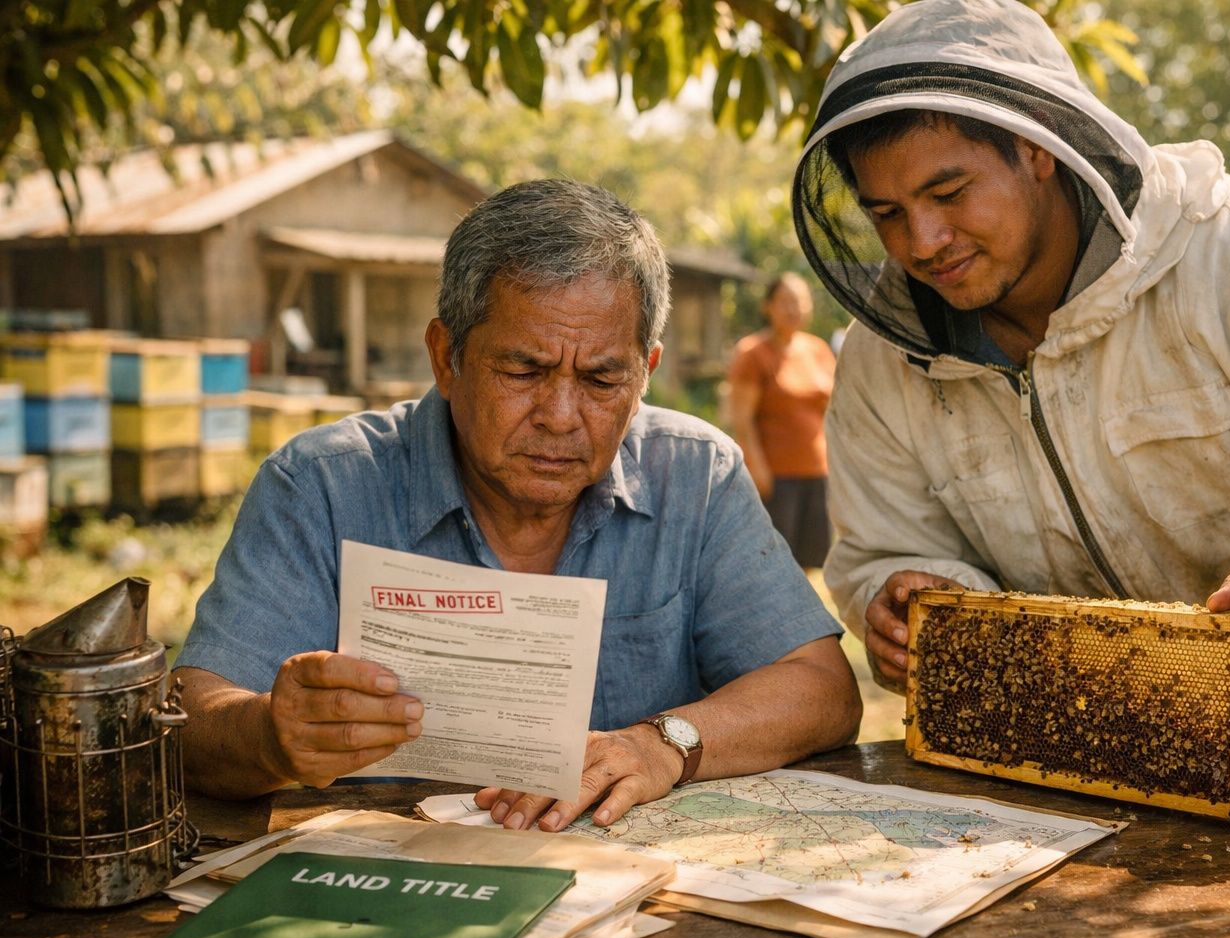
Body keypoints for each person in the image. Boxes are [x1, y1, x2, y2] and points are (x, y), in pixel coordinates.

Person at [790, 0, 1230, 812]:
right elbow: (882, 547)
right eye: (887, 213)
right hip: (1079, 743)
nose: (922, 241)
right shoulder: (883, 360)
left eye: (948, 191)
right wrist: (904, 600)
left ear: (1036, 145)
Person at [175, 179, 861, 831]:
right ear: (447, 357)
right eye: (523, 371)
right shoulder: (322, 486)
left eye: (600, 379)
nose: (561, 416)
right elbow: (190, 719)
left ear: (644, 375)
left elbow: (822, 690)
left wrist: (666, 744)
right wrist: (271, 735)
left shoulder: (693, 475)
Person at [725, 272, 838, 568]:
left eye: (800, 301)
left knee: (811, 562)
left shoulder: (818, 350)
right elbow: (742, 419)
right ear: (768, 307)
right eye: (785, 301)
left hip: (817, 472)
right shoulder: (753, 353)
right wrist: (758, 469)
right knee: (773, 561)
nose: (793, 309)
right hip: (775, 477)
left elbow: (834, 412)